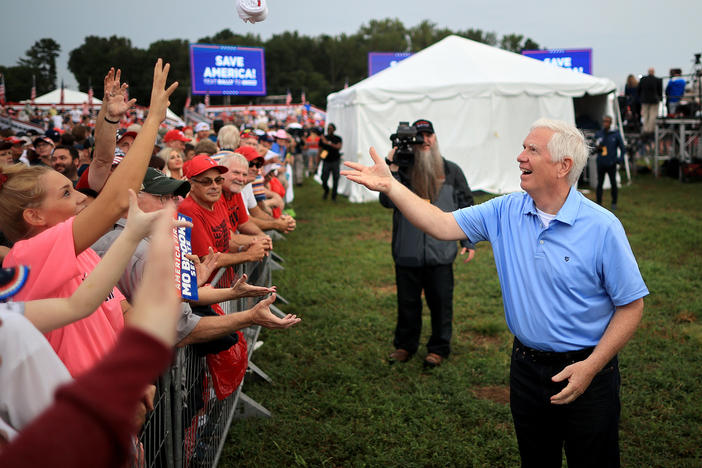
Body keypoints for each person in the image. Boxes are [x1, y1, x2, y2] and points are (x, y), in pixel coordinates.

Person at [342, 118, 648, 467]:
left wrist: (592, 366)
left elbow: (631, 306)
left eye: (532, 150)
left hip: (590, 370)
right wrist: (391, 187)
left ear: (563, 166)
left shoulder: (603, 227)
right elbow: (440, 223)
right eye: (523, 147)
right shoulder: (505, 210)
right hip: (527, 368)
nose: (520, 157)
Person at [1, 59, 178, 377]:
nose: (82, 197)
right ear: (34, 215)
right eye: (67, 194)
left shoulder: (80, 254)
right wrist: (153, 120)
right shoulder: (28, 255)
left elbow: (120, 311)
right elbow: (111, 201)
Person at [381, 119, 475, 368]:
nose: (424, 140)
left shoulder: (451, 170)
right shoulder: (401, 169)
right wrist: (391, 167)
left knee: (441, 302)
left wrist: (468, 239)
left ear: (435, 138)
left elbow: (466, 205)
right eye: (419, 136)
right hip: (407, 252)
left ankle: (439, 348)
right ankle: (404, 346)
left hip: (441, 253)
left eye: (428, 135)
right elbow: (387, 201)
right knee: (407, 303)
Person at [594, 115, 626, 210]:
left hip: (611, 164)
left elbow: (623, 149)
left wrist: (619, 160)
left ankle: (614, 203)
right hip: (601, 163)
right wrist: (597, 147)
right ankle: (598, 203)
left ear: (611, 123)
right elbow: (594, 147)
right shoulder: (599, 134)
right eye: (604, 121)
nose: (605, 123)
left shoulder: (615, 134)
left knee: (613, 184)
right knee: (599, 183)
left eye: (607, 121)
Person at [319, 123, 342, 200]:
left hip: (335, 161)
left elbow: (338, 147)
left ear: (334, 130)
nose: (329, 130)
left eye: (331, 128)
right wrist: (319, 160)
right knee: (324, 178)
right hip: (326, 161)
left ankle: (334, 196)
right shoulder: (323, 138)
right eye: (328, 128)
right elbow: (320, 150)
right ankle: (326, 190)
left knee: (336, 179)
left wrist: (328, 143)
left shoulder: (337, 138)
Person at [638, 68, 662, 137]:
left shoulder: (643, 79)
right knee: (653, 115)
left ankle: (645, 129)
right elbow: (659, 91)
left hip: (645, 100)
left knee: (645, 115)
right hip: (654, 100)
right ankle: (650, 130)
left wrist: (641, 97)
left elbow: (639, 89)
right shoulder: (657, 80)